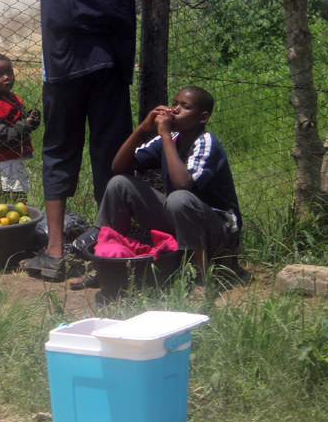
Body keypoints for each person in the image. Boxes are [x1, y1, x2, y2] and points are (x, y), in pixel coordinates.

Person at [23, 0, 184, 281]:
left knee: (58, 152)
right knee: (109, 155)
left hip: (59, 61)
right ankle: (107, 248)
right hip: (106, 61)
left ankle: (54, 253)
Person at [89, 86, 240, 283]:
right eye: (174, 103)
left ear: (202, 118)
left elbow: (183, 186)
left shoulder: (206, 142)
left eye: (185, 107)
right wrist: (143, 128)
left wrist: (166, 135)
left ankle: (201, 277)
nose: (175, 110)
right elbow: (118, 166)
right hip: (180, 219)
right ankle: (108, 263)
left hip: (216, 231)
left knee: (179, 198)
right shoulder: (169, 139)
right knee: (119, 183)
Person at [0, 53, 40, 201]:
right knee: (14, 194)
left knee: (4, 193)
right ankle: (16, 219)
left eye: (9, 72)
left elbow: (16, 119)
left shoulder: (10, 98)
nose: (7, 77)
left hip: (9, 155)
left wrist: (31, 118)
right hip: (4, 158)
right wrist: (24, 126)